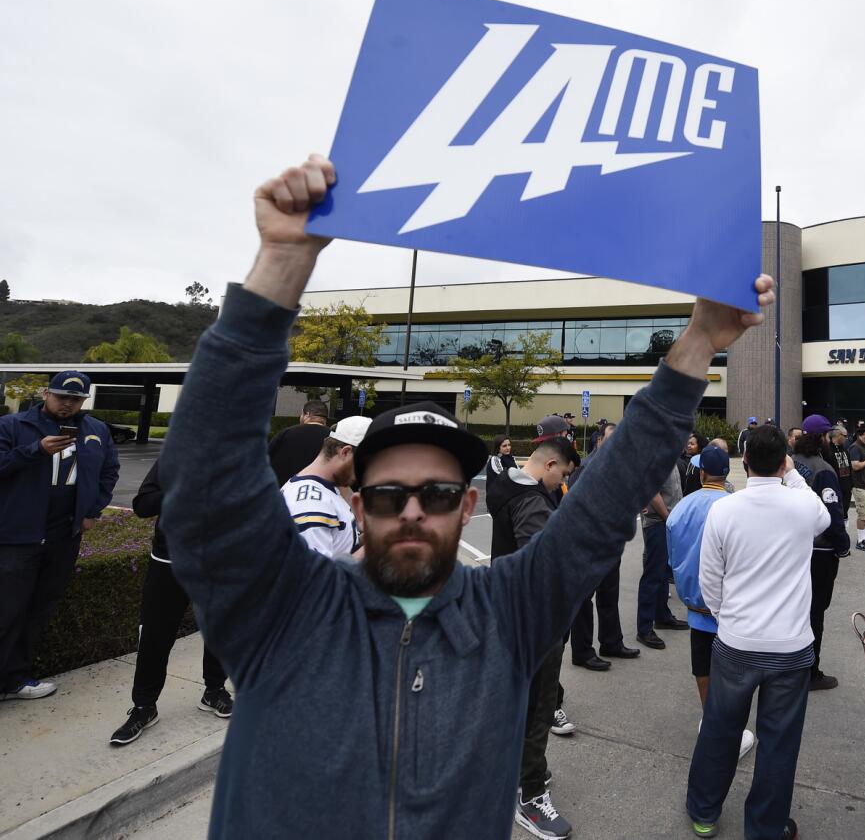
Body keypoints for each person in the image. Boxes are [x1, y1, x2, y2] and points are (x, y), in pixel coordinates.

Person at [154, 154, 775, 838]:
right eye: (389, 494)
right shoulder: (282, 609)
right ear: (358, 505)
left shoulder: (508, 613)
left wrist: (698, 341)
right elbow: (205, 480)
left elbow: (603, 503)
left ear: (468, 505)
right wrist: (282, 261)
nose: (414, 509)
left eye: (438, 491)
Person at [686, 425, 828, 840]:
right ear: (785, 461)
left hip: (736, 642)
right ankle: (765, 827)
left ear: (742, 461)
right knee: (778, 743)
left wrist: (728, 617)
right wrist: (791, 473)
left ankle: (704, 812)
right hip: (791, 647)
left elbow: (709, 580)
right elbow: (822, 514)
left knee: (719, 729)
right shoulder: (803, 506)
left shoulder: (724, 509)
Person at [0, 370, 121, 732]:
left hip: (63, 536)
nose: (67, 403)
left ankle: (16, 679)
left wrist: (92, 510)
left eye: (75, 399)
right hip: (13, 536)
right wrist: (34, 450)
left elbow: (109, 471)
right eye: (61, 395)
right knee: (1, 614)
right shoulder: (13, 425)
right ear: (46, 393)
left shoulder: (95, 430)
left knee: (37, 611)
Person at [487, 419, 581, 837]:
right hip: (534, 622)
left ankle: (514, 776)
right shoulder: (532, 503)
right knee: (538, 708)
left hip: (505, 614)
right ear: (549, 464)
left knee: (516, 705)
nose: (561, 482)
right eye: (562, 474)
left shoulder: (504, 480)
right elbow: (538, 565)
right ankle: (529, 796)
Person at [109, 458, 232, 746]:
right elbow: (142, 505)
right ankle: (144, 706)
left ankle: (214, 691)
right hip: (169, 561)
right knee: (155, 636)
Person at [667, 445, 757, 760]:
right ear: (727, 473)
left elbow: (672, 557)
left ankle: (710, 720)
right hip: (730, 608)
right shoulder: (735, 506)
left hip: (695, 606)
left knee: (703, 667)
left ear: (701, 472)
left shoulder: (680, 508)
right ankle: (728, 730)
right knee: (731, 674)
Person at [565, 421, 637, 673]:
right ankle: (582, 652)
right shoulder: (586, 467)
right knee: (584, 600)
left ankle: (611, 642)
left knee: (609, 594)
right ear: (600, 441)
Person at [792, 414, 852, 691]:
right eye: (829, 436)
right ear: (822, 438)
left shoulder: (791, 465)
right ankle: (810, 671)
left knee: (795, 609)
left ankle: (791, 664)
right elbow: (832, 514)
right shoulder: (823, 469)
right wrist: (843, 544)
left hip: (792, 547)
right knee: (816, 611)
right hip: (820, 550)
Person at [281, 416, 370, 558]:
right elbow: (316, 575)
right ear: (345, 452)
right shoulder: (310, 504)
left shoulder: (319, 491)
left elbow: (339, 546)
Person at [637, 446, 689, 650]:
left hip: (667, 522)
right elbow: (652, 493)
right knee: (652, 574)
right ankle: (644, 628)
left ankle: (662, 615)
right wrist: (669, 519)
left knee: (664, 571)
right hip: (658, 522)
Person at [267, 398, 331, 485]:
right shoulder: (333, 437)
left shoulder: (286, 433)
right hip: (321, 492)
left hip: (285, 491)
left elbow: (267, 458)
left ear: (307, 414)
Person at [680, 430, 706, 496]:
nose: (689, 446)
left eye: (692, 444)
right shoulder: (683, 457)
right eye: (688, 443)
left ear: (699, 445)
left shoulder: (699, 462)